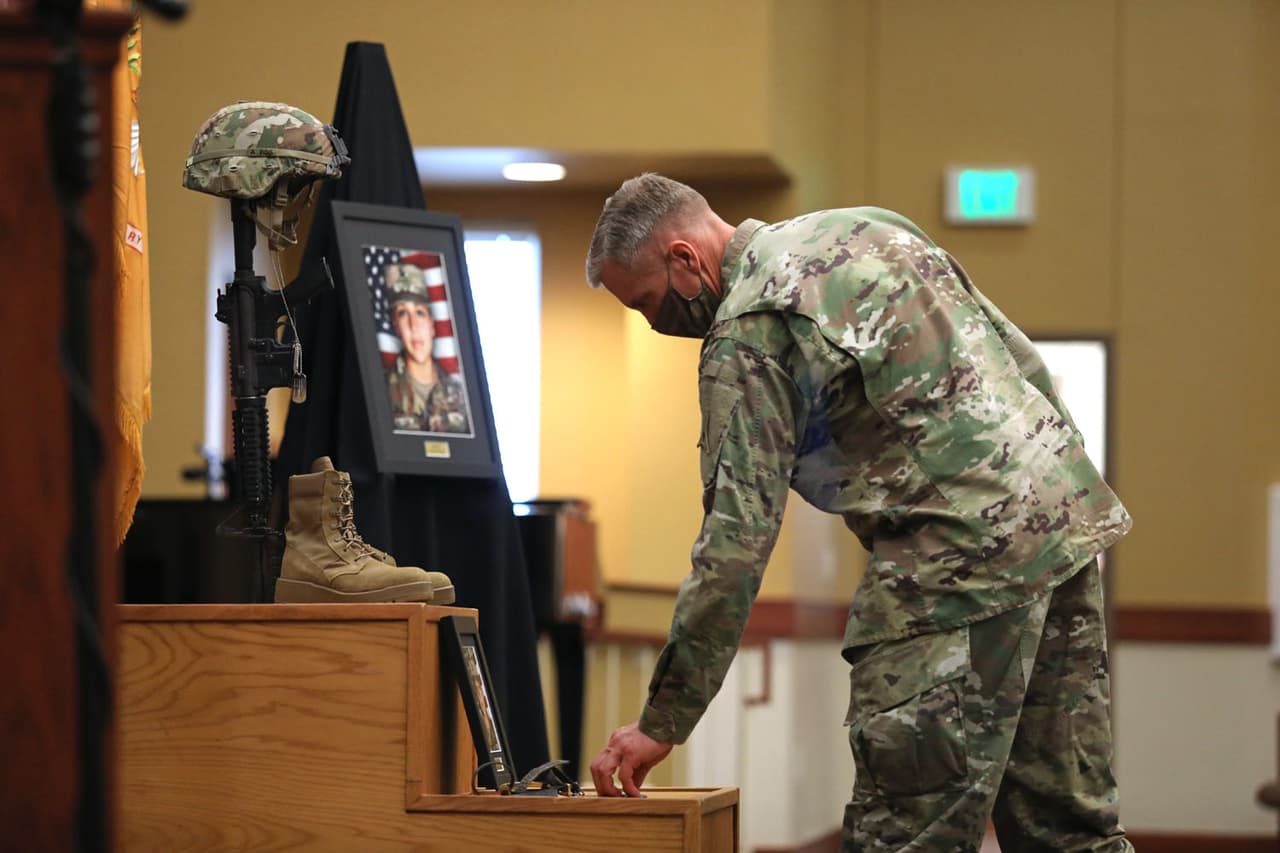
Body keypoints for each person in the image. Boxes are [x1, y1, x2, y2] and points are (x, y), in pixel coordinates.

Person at [584, 173, 1134, 853]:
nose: (655, 323)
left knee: (902, 833)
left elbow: (734, 542)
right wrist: (1056, 496)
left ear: (684, 258)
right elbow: (1019, 362)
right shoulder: (868, 227)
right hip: (1062, 531)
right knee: (1071, 832)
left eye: (647, 303)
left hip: (953, 565)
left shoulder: (749, 327)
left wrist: (662, 719)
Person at [384, 262, 472, 434]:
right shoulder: (381, 390)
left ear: (432, 325)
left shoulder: (460, 394)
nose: (413, 326)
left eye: (420, 313)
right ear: (396, 326)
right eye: (403, 313)